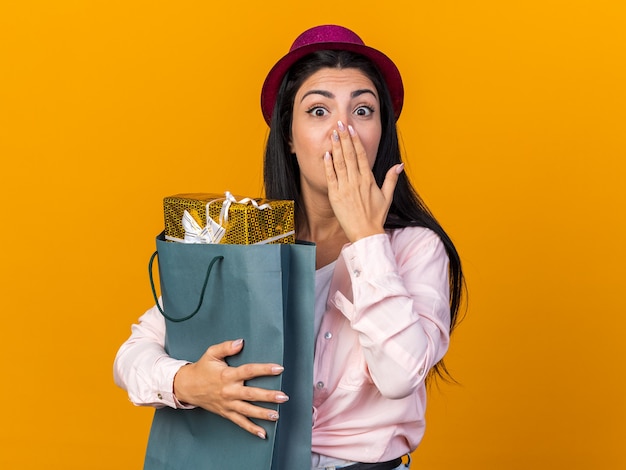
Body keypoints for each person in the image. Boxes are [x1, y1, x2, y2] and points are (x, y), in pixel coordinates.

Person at [114, 24, 464, 470]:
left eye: (363, 110)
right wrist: (185, 382)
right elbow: (132, 355)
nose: (343, 130)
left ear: (382, 133)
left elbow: (399, 377)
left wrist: (367, 238)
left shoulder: (416, 248)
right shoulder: (247, 239)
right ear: (288, 136)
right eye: (318, 111)